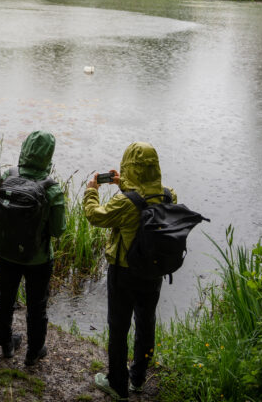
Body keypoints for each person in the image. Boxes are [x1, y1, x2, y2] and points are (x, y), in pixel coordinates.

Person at [84, 142, 177, 400]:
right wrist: (123, 183)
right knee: (146, 323)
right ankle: (137, 378)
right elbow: (144, 196)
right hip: (153, 273)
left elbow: (95, 216)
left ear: (129, 167)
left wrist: (92, 191)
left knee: (118, 327)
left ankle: (116, 383)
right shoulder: (169, 196)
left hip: (123, 272)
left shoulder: (125, 203)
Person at [0, 130, 66, 366]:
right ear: (49, 156)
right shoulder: (52, 189)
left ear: (25, 149)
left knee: (5, 298)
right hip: (38, 258)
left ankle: (5, 344)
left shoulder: (8, 175)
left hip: (5, 252)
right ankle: (33, 352)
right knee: (37, 305)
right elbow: (58, 230)